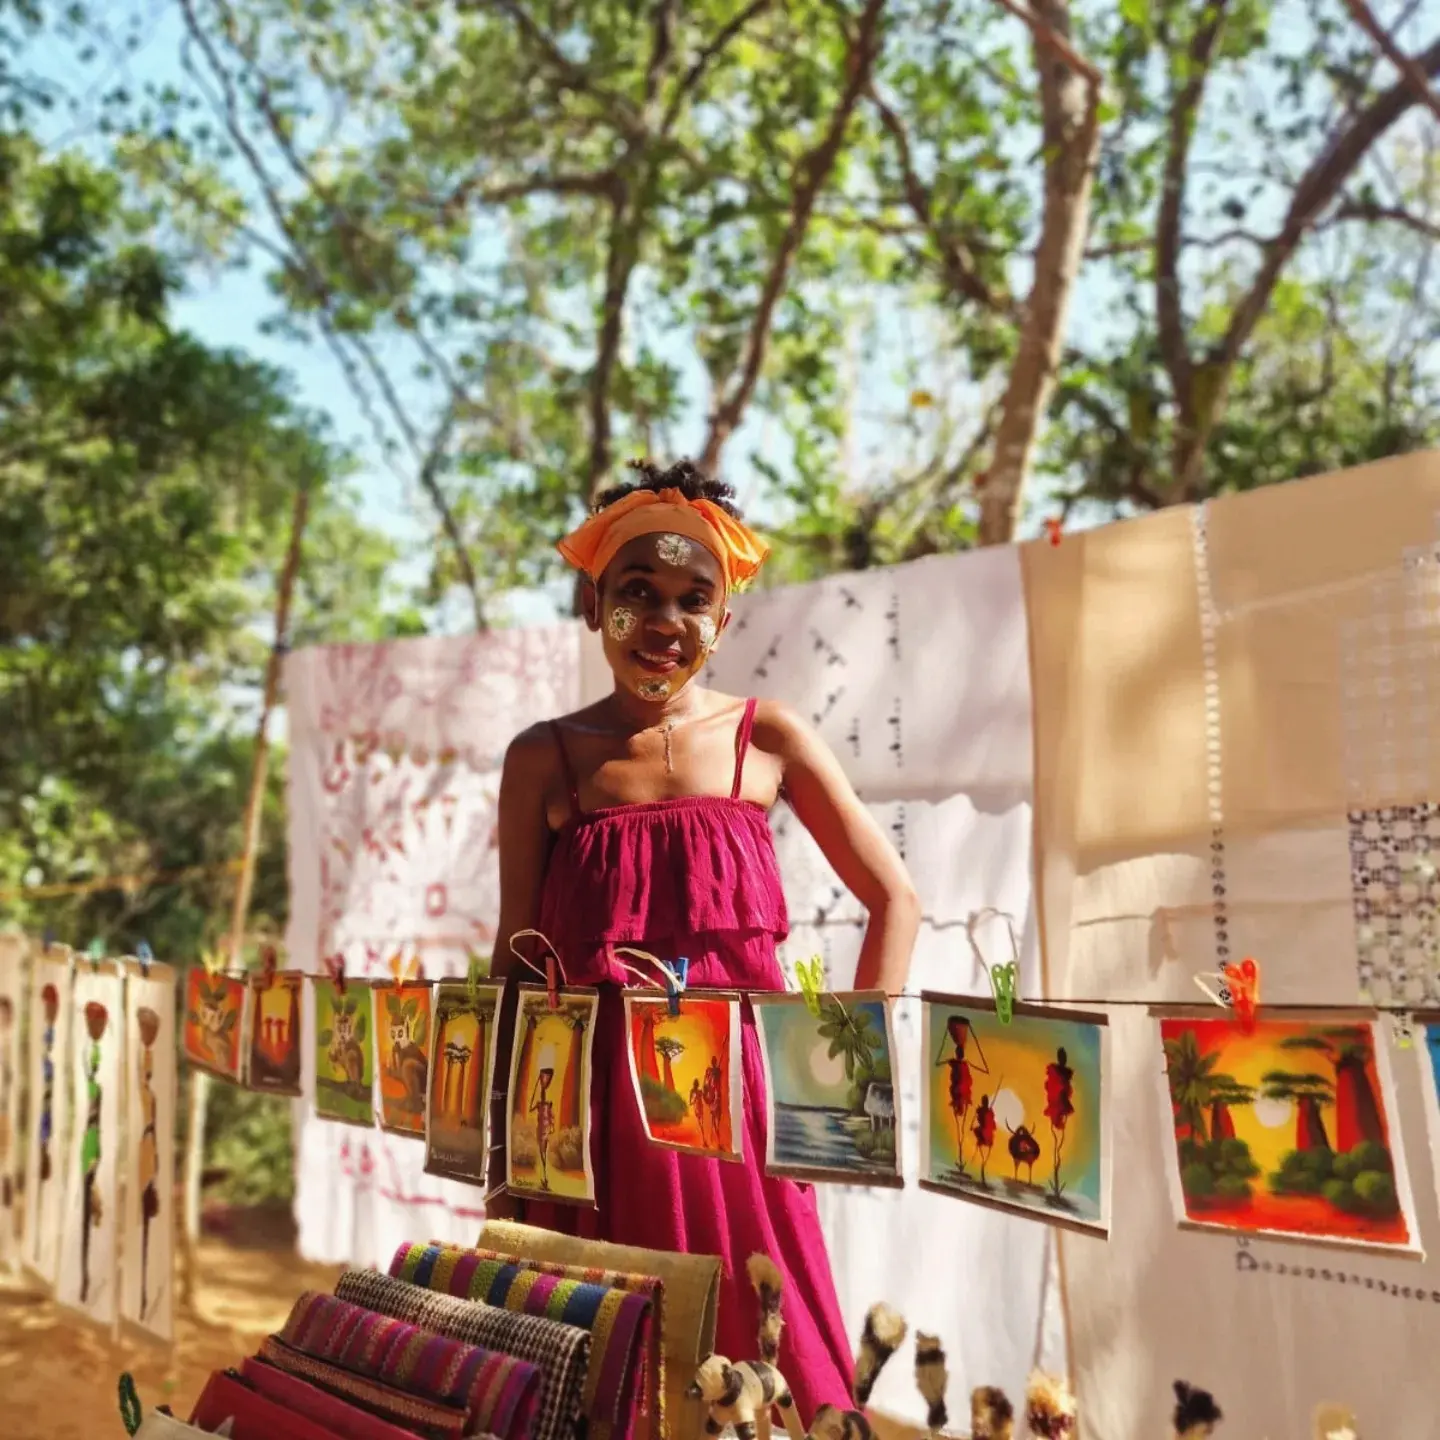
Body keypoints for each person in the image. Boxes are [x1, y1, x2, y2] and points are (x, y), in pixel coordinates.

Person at [488, 458, 919, 1420]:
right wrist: (502, 1148)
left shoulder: (770, 741)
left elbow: (895, 900)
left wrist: (845, 1096)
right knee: (598, 1373)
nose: (664, 621)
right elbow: (516, 960)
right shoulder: (544, 757)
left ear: (722, 622)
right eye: (637, 594)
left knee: (765, 1356)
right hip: (585, 1123)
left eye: (693, 599)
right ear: (596, 604)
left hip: (737, 1123)